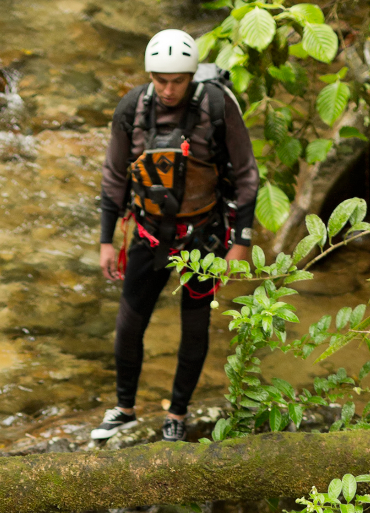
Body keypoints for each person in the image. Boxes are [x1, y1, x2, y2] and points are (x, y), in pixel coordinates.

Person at [92, 29, 258, 444]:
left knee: (195, 326)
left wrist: (240, 242)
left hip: (204, 236)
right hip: (148, 234)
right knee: (129, 325)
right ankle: (124, 409)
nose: (168, 89)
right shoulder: (132, 109)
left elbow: (246, 176)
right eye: (160, 79)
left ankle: (178, 414)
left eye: (177, 81)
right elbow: (114, 175)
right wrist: (106, 241)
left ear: (191, 77)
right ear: (150, 75)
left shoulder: (217, 107)